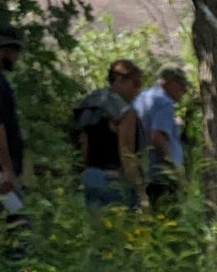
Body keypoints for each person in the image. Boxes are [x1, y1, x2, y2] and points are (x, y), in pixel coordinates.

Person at [73, 60, 147, 209]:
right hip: (115, 180)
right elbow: (127, 154)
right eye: (136, 83)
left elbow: (83, 146)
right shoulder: (124, 112)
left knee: (97, 230)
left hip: (90, 177)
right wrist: (142, 193)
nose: (137, 90)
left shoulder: (90, 104)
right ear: (120, 79)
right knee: (122, 230)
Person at [133, 65, 189, 204]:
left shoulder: (142, 98)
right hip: (161, 176)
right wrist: (173, 169)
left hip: (142, 171)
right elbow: (157, 137)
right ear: (170, 82)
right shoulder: (164, 103)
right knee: (168, 218)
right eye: (182, 86)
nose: (184, 91)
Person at [0, 23, 25, 234]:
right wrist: (6, 168)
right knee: (20, 232)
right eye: (16, 52)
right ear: (6, 49)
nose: (17, 58)